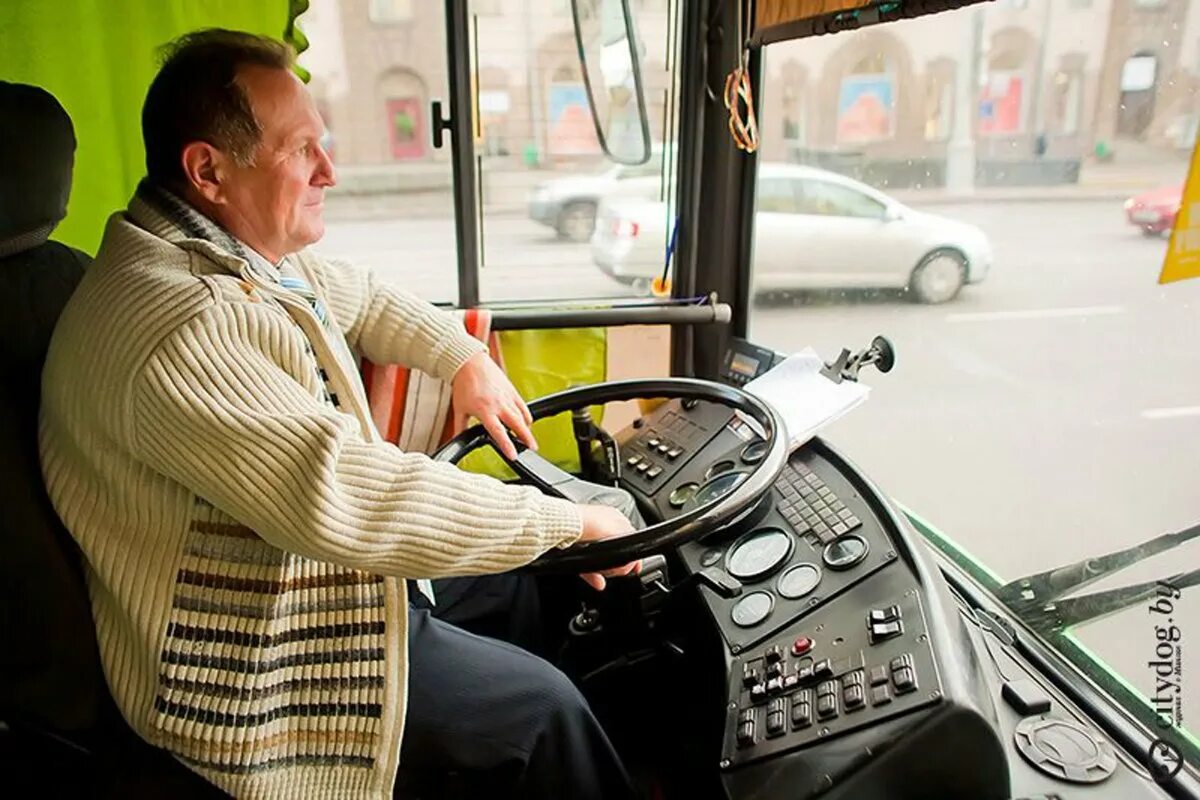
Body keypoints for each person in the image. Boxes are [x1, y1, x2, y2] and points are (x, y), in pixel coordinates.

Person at [39, 29, 640, 799]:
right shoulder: (178, 323)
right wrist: (572, 523)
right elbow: (346, 495)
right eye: (301, 152)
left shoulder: (230, 250)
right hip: (254, 662)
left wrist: (465, 361)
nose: (331, 170)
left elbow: (354, 292)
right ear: (208, 170)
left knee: (524, 587)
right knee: (546, 713)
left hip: (299, 578)